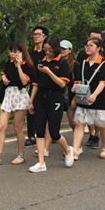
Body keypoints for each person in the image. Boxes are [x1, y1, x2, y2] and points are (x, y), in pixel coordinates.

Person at [28, 35, 74, 172]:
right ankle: (41, 162)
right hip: (40, 98)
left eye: (50, 50)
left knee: (54, 132)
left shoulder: (62, 63)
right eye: (45, 49)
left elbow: (62, 84)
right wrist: (31, 102)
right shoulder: (41, 61)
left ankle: (67, 150)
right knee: (39, 131)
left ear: (56, 48)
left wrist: (49, 72)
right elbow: (35, 84)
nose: (47, 52)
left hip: (55, 97)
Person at [0, 40, 34, 165]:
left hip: (20, 95)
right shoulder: (9, 63)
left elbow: (24, 82)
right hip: (9, 94)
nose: (12, 54)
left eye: (15, 52)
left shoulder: (27, 65)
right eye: (11, 51)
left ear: (21, 52)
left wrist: (19, 66)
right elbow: (4, 74)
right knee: (1, 126)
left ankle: (21, 155)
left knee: (17, 128)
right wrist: (4, 78)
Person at [71, 37, 105, 160]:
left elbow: (103, 82)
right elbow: (78, 80)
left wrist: (95, 94)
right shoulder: (83, 63)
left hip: (100, 99)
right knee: (79, 124)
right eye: (87, 45)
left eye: (91, 45)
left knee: (102, 125)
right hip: (83, 98)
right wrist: (75, 89)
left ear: (99, 48)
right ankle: (75, 150)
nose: (87, 47)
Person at [77, 29, 104, 149]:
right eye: (92, 38)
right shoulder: (83, 54)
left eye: (98, 38)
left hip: (98, 92)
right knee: (85, 116)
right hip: (85, 91)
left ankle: (97, 135)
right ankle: (91, 134)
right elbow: (78, 70)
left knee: (97, 116)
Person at [25, 25, 48, 147]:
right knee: (31, 109)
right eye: (34, 34)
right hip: (33, 84)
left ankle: (49, 134)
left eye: (38, 34)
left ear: (45, 36)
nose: (36, 36)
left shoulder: (47, 52)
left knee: (46, 110)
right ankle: (31, 136)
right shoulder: (30, 52)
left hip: (45, 85)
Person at [60, 40, 78, 132]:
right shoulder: (57, 63)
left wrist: (74, 99)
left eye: (64, 49)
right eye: (60, 48)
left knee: (72, 122)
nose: (61, 51)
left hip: (71, 96)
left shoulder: (75, 64)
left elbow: (78, 83)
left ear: (70, 50)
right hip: (60, 95)